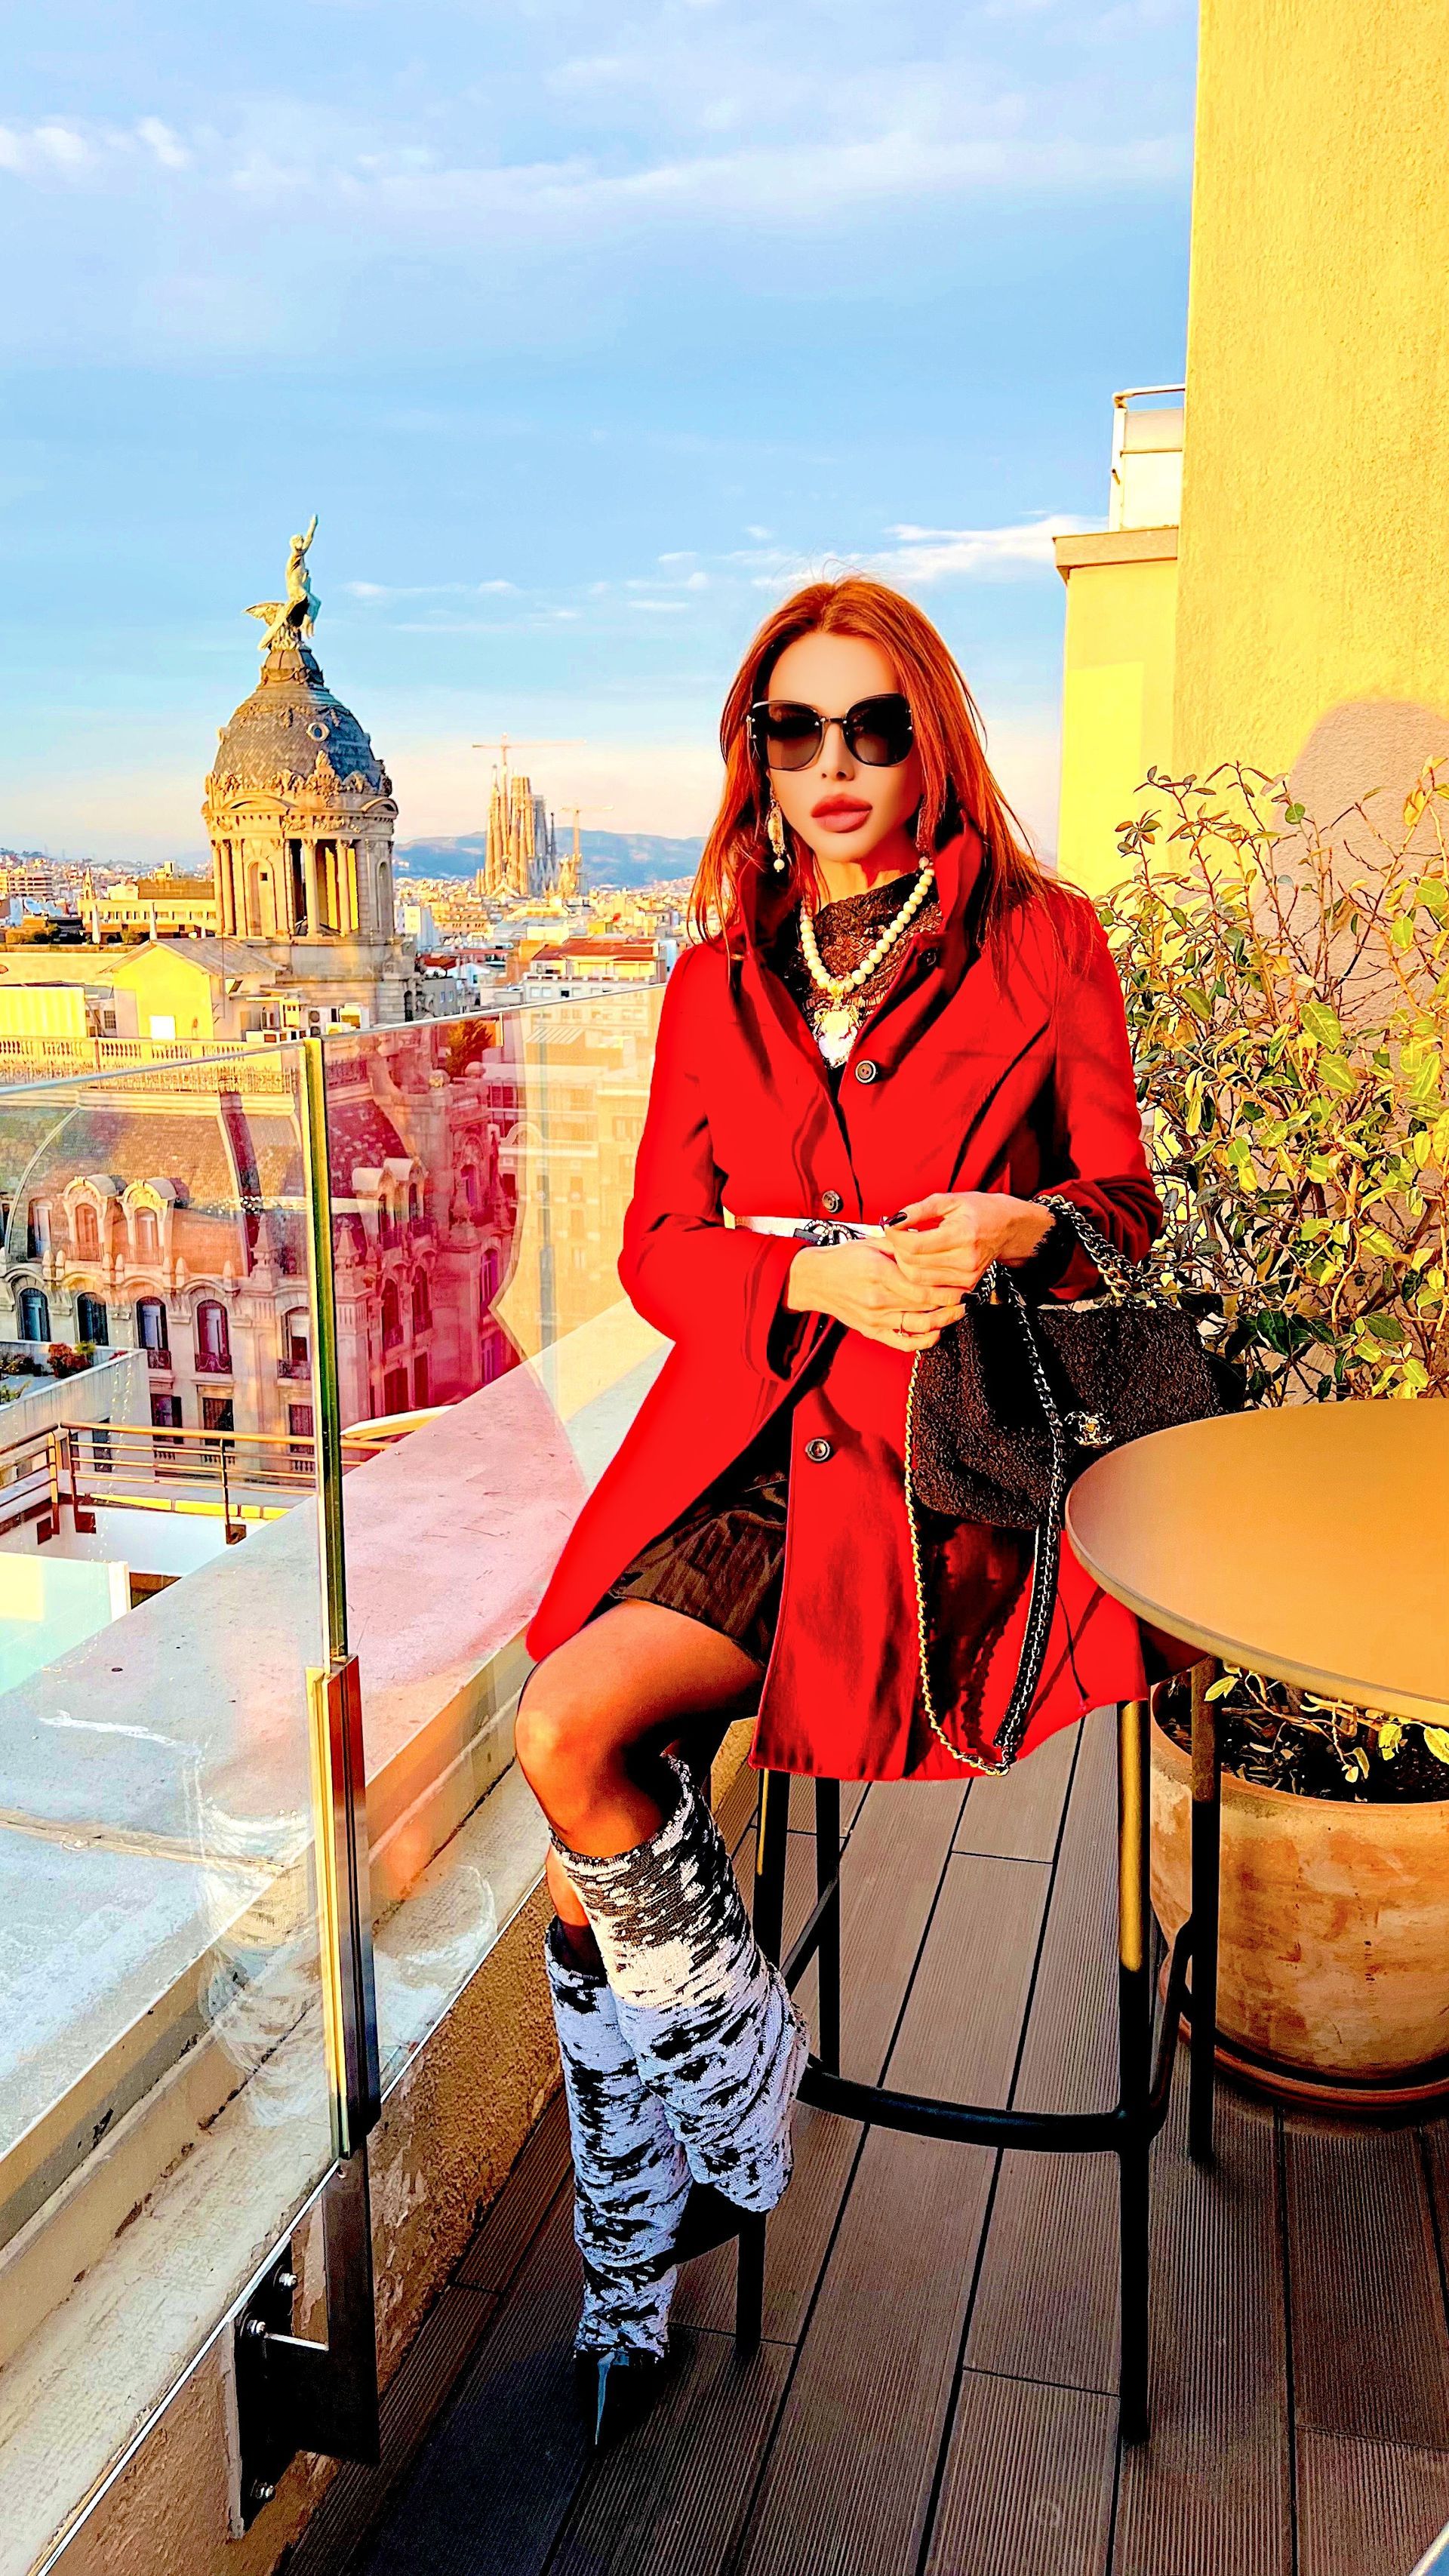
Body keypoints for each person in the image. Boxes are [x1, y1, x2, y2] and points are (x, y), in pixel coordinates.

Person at [515, 574, 1163, 2439]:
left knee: (571, 1739)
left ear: (929, 736)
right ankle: (715, 2106)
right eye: (793, 730)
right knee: (578, 1774)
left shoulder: (1044, 943)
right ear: (757, 756)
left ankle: (657, 2212)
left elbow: (1122, 1214)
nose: (835, 764)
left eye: (873, 725)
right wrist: (805, 1276)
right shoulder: (714, 978)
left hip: (921, 1472)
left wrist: (1020, 1226)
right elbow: (656, 1248)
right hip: (731, 1438)